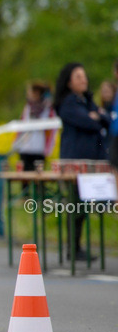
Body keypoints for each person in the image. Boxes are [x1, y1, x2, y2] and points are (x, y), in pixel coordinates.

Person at [53, 62, 110, 261]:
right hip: (74, 162)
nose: (83, 80)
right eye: (78, 76)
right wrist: (96, 117)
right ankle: (73, 247)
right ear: (69, 82)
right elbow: (89, 122)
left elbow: (106, 120)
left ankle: (77, 246)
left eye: (84, 76)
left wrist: (97, 117)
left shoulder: (86, 101)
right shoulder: (68, 103)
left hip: (92, 161)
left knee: (84, 204)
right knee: (75, 204)